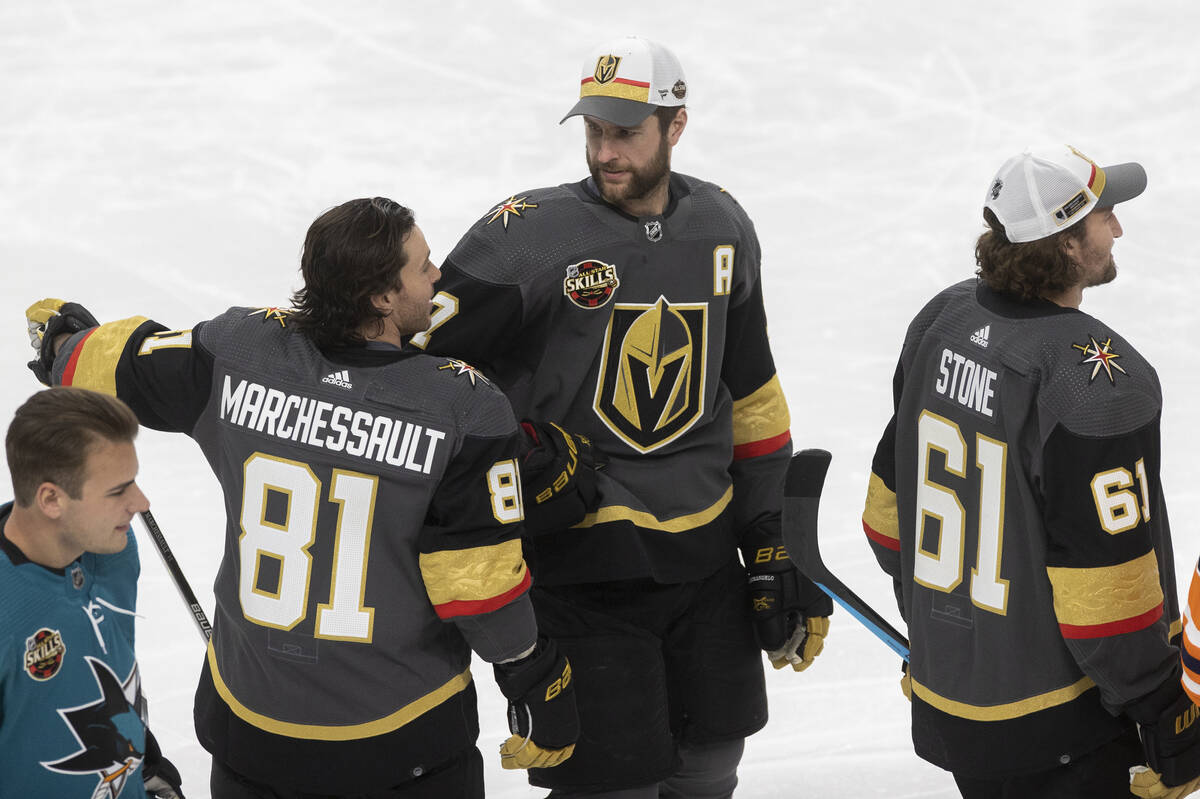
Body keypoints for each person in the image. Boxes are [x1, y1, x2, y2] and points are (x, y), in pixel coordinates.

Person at [23, 197, 580, 798]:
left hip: (252, 735)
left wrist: (65, 346)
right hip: (401, 742)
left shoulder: (238, 351)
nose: (438, 275)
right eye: (422, 266)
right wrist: (534, 679)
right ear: (382, 298)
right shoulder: (461, 408)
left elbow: (129, 360)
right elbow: (478, 586)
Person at [408, 35, 831, 798]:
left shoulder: (723, 227)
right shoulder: (528, 239)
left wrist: (771, 538)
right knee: (610, 784)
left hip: (704, 562)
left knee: (710, 766)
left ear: (676, 125)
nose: (606, 151)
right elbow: (418, 375)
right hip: (580, 567)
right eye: (595, 131)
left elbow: (754, 394)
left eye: (626, 132)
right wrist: (514, 450)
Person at [861, 145, 1200, 799]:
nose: (1119, 228)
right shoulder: (1095, 383)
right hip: (1066, 732)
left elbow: (886, 522)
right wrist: (1167, 713)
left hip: (955, 713)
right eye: (1105, 216)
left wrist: (945, 646)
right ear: (1068, 244)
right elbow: (1108, 603)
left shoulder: (941, 321)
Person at [0, 386, 185, 798]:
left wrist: (144, 759)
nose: (141, 501)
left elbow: (103, 667)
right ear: (51, 499)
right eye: (119, 490)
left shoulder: (112, 549)